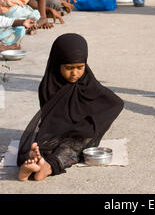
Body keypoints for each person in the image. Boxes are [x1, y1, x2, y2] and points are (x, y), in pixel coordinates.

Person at [17, 33, 124, 181]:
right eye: (68, 68)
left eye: (80, 67)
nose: (75, 73)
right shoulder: (49, 86)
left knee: (76, 144)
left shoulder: (88, 82)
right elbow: (50, 120)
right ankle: (33, 164)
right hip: (55, 133)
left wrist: (93, 124)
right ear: (57, 63)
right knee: (41, 147)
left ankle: (47, 167)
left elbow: (115, 103)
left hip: (79, 134)